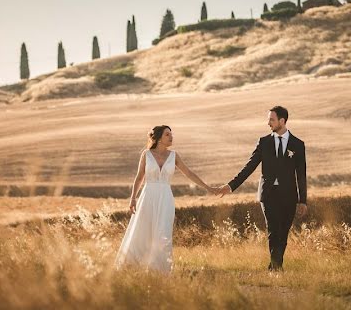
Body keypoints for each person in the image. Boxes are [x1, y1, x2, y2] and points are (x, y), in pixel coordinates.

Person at [116, 125, 218, 271]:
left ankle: (159, 270)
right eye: (167, 135)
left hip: (165, 198)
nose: (171, 137)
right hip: (148, 196)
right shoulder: (146, 154)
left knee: (163, 232)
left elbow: (189, 173)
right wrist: (133, 198)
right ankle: (133, 266)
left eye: (171, 134)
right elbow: (139, 178)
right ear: (158, 138)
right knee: (143, 230)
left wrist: (208, 188)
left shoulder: (174, 156)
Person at [218, 105, 307, 270]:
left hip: (289, 196)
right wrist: (231, 186)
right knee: (273, 230)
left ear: (282, 121)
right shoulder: (264, 142)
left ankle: (276, 265)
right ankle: (275, 268)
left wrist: (303, 200)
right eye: (268, 120)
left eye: (271, 120)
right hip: (268, 195)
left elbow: (301, 175)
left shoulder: (298, 145)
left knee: (283, 233)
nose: (269, 123)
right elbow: (249, 167)